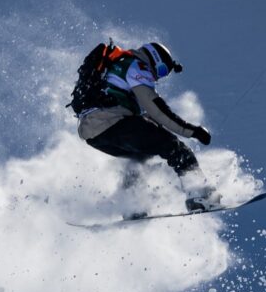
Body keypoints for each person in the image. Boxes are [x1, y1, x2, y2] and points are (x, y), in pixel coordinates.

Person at [75, 43, 218, 210]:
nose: (158, 77)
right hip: (113, 122)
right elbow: (157, 109)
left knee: (139, 158)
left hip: (94, 134)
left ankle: (132, 205)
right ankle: (199, 195)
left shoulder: (117, 67)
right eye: (163, 70)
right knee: (175, 148)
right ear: (155, 59)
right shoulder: (138, 66)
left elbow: (147, 118)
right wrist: (191, 131)